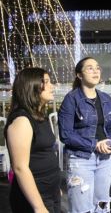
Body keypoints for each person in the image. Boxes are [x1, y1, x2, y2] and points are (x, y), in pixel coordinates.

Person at [58, 57, 111, 213]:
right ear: (79, 75)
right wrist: (94, 145)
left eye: (97, 67)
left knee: (102, 205)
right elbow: (65, 134)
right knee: (82, 209)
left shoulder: (105, 98)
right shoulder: (71, 99)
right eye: (90, 68)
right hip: (81, 159)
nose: (96, 71)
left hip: (105, 159)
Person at [4, 68, 60, 213]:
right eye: (46, 82)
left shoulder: (40, 116)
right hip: (35, 196)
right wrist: (39, 207)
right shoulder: (22, 120)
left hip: (49, 191)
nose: (51, 86)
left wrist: (55, 188)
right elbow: (20, 168)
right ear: (32, 87)